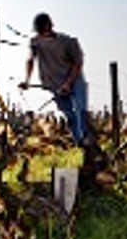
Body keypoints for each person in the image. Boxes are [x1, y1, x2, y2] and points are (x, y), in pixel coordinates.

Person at [19, 12, 92, 146]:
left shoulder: (68, 42)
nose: (41, 34)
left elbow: (78, 63)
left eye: (43, 30)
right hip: (54, 85)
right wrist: (27, 80)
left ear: (49, 26)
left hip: (74, 81)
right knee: (69, 115)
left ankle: (87, 141)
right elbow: (30, 60)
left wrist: (68, 84)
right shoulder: (35, 43)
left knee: (80, 109)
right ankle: (80, 144)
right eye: (39, 32)